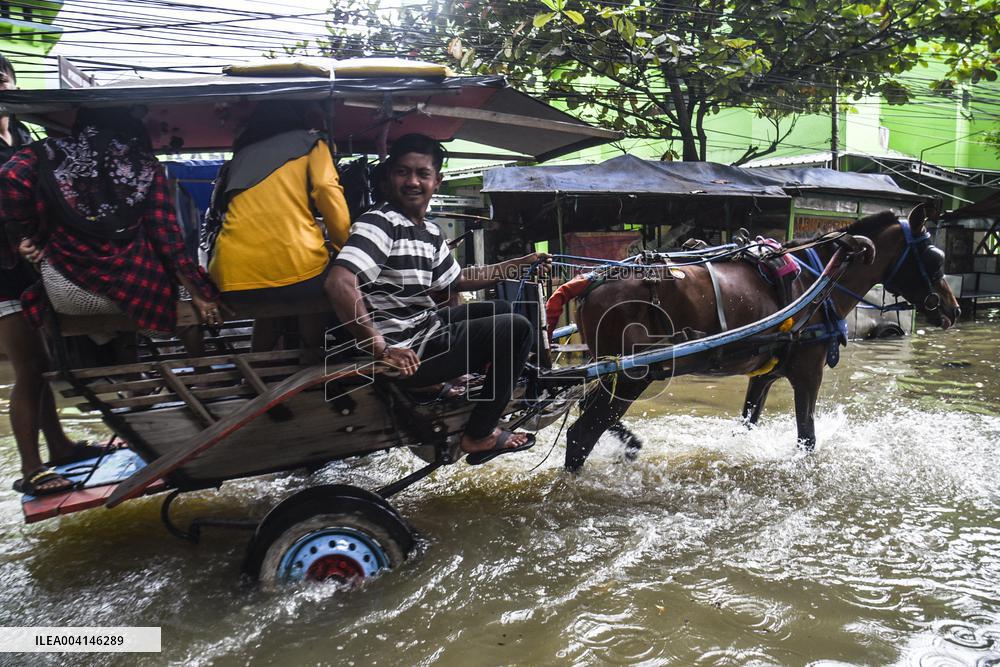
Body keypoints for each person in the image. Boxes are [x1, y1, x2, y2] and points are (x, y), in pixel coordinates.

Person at [0, 105, 223, 493]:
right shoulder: (141, 165)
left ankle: (113, 424)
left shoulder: (41, 152)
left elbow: (10, 181)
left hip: (64, 288)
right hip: (125, 289)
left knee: (38, 367)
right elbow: (168, 238)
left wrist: (26, 233)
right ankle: (203, 396)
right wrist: (202, 294)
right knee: (180, 306)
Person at [326, 133, 547, 465]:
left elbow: (457, 280)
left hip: (423, 329)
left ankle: (472, 383)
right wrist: (380, 348)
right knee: (516, 329)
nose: (412, 181)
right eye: (403, 172)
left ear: (436, 180)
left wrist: (517, 265)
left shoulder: (427, 231)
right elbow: (339, 282)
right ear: (389, 177)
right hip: (404, 352)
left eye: (422, 173)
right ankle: (480, 432)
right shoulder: (380, 225)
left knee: (500, 309)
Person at [0, 55, 108, 496]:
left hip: (34, 267)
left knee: (41, 364)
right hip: (3, 272)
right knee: (28, 366)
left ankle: (59, 446)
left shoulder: (26, 135)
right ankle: (32, 468)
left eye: (1, 77)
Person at [203, 100, 351, 360]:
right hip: (296, 271)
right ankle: (311, 359)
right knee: (321, 284)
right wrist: (345, 248)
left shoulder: (242, 153)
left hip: (231, 276)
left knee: (271, 301)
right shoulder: (313, 143)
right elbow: (327, 191)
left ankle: (256, 369)